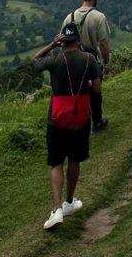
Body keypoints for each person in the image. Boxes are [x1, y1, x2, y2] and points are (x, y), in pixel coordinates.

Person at [32, 23, 101, 231]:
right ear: (78, 41)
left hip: (57, 119)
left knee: (56, 164)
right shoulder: (89, 60)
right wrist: (87, 85)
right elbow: (97, 89)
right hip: (80, 118)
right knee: (75, 160)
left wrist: (51, 45)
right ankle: (70, 201)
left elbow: (34, 62)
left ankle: (56, 210)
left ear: (62, 43)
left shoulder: (55, 60)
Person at [62, 0, 111, 132]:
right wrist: (106, 62)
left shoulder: (68, 18)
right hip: (92, 61)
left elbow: (61, 42)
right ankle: (97, 122)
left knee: (79, 92)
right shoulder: (98, 17)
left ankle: (78, 124)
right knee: (95, 92)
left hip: (73, 61)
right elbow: (103, 43)